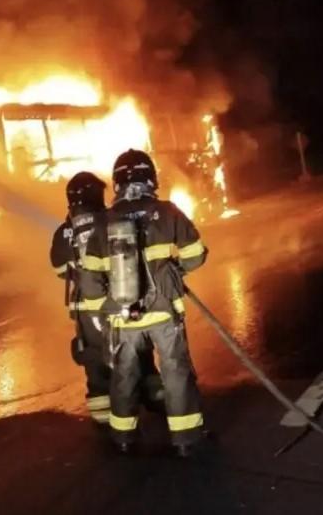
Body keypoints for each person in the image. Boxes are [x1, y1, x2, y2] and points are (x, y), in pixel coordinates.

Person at [84, 149, 208, 456]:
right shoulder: (167, 212)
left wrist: (112, 308)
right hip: (164, 312)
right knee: (175, 372)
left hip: (124, 319)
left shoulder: (103, 223)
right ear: (150, 178)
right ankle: (185, 440)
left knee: (124, 374)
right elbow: (195, 254)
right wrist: (174, 273)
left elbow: (89, 282)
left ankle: (124, 438)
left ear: (117, 184)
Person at [50, 172, 164, 426]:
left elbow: (60, 271)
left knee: (95, 365)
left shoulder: (64, 232)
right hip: (119, 301)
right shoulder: (110, 220)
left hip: (85, 312)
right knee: (138, 353)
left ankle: (104, 421)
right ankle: (157, 399)